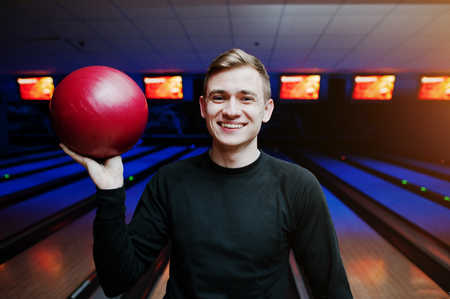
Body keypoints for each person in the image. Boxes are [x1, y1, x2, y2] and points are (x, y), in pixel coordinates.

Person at [61, 48, 353, 298]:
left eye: (246, 98)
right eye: (219, 97)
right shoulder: (170, 180)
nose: (231, 110)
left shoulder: (298, 186)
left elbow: (331, 289)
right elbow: (116, 282)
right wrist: (110, 192)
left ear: (267, 110)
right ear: (203, 107)